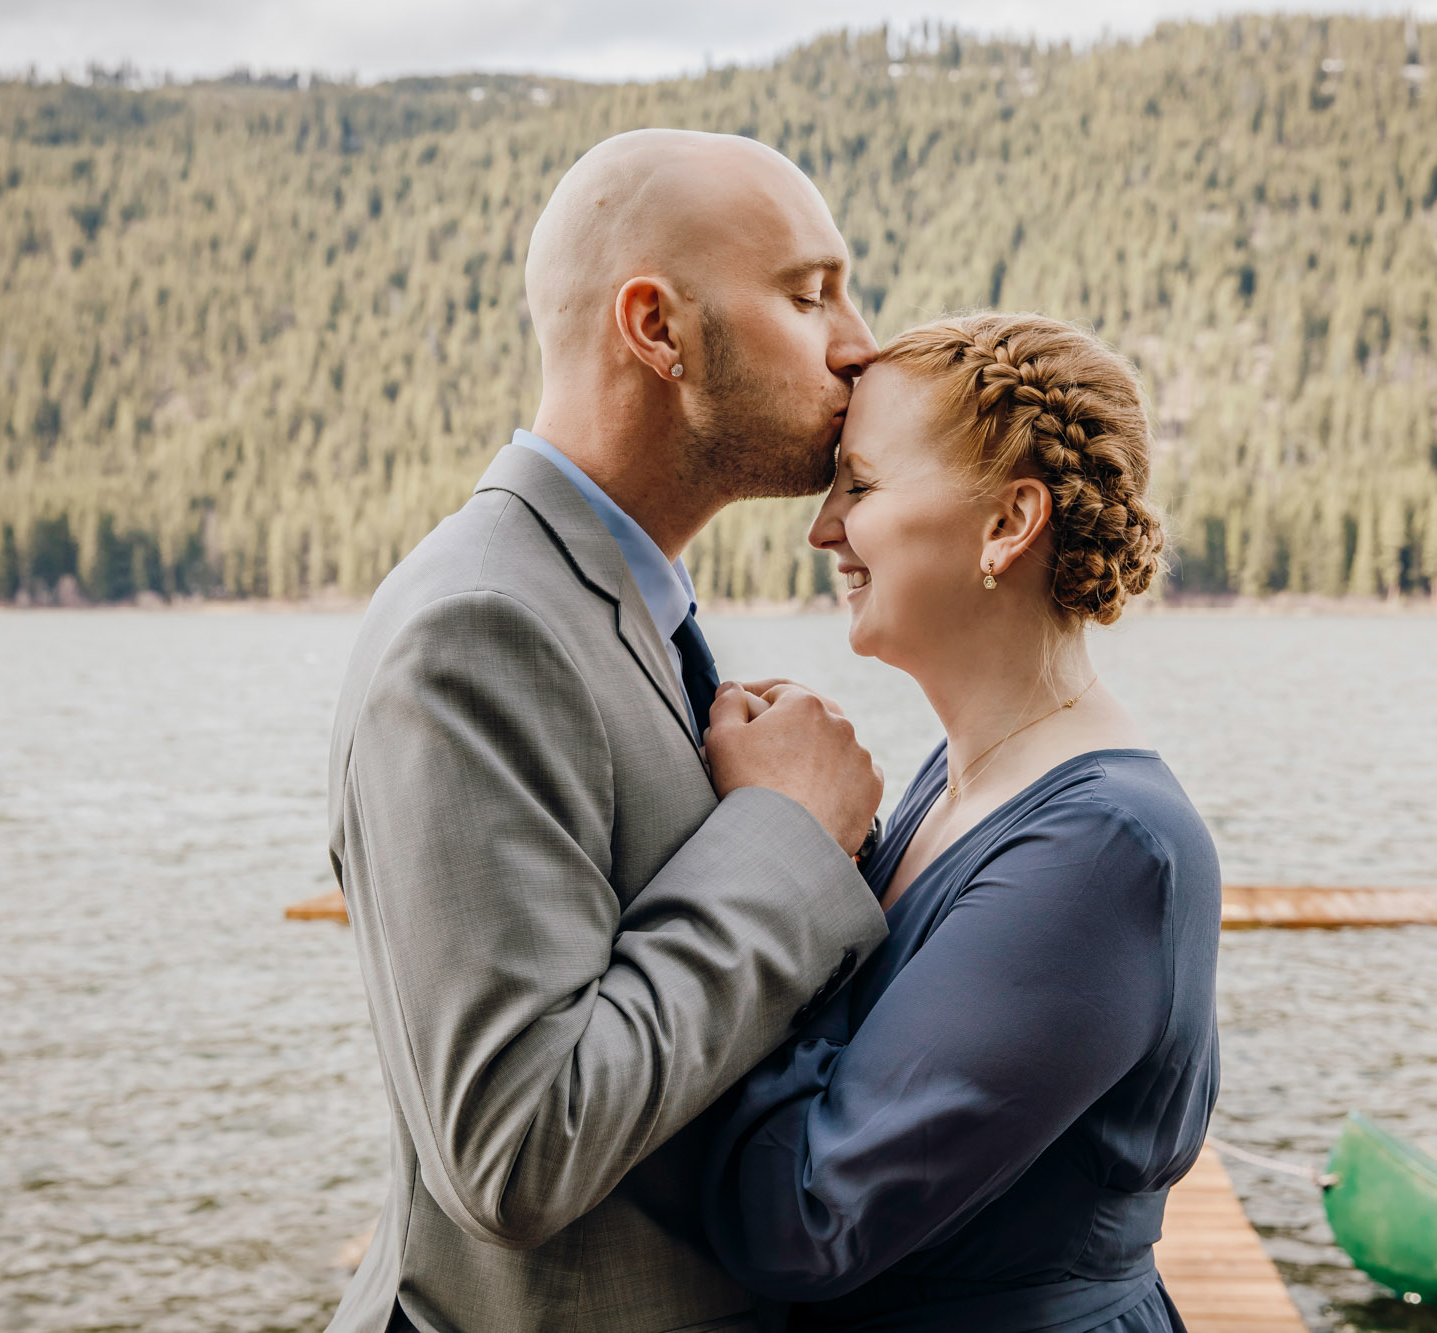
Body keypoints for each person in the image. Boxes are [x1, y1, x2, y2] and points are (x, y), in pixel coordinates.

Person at [322, 129, 889, 1333]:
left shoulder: (600, 597)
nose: (858, 341)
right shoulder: (478, 627)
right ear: (656, 329)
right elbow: (516, 1149)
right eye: (808, 292)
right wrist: (784, 835)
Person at [700, 313, 1223, 1333]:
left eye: (859, 485)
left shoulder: (1105, 851)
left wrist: (777, 843)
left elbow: (806, 1221)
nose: (820, 529)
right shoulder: (957, 777)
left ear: (1005, 523)